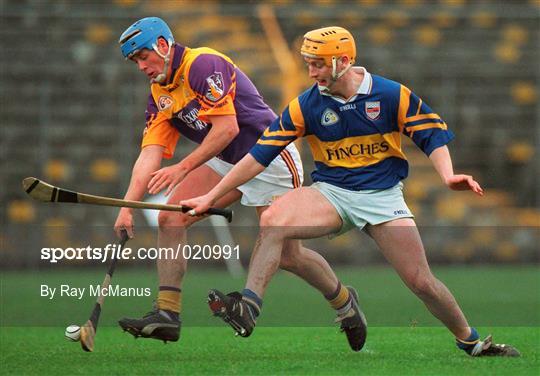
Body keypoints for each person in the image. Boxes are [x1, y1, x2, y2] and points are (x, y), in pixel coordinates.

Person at [182, 26, 520, 357]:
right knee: (273, 220)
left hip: (382, 197)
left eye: (317, 63)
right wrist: (210, 197)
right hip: (332, 193)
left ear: (342, 60)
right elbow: (258, 156)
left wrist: (447, 176)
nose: (311, 72)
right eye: (308, 63)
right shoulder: (305, 105)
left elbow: (430, 135)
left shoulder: (390, 94)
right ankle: (249, 306)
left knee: (421, 282)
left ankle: (470, 341)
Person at [114, 18, 367, 350]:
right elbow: (149, 154)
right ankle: (168, 314)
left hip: (270, 157)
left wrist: (183, 168)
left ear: (163, 44)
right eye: (136, 62)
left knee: (289, 256)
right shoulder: (161, 93)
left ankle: (346, 303)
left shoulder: (202, 64)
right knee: (170, 217)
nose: (142, 66)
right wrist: (127, 208)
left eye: (144, 56)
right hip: (225, 161)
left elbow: (227, 130)